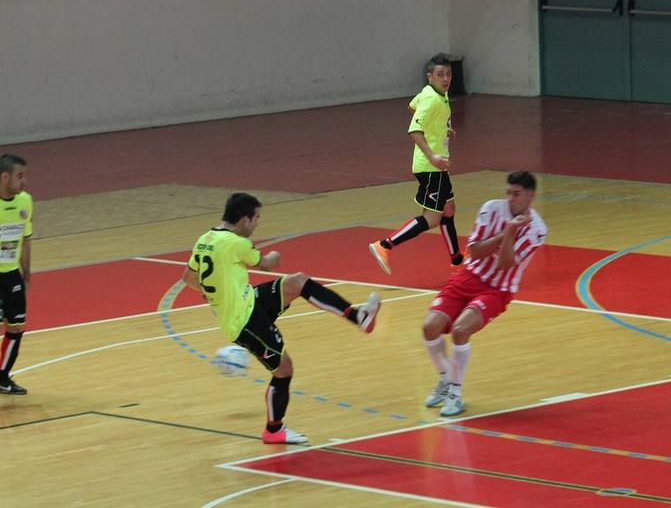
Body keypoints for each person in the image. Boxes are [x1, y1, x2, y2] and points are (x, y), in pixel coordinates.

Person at [182, 192, 381, 444]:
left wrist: (213, 297)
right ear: (244, 219)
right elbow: (266, 264)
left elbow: (189, 278)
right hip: (244, 321)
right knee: (284, 369)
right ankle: (274, 430)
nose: (257, 224)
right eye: (256, 218)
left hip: (248, 302)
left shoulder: (205, 240)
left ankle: (359, 317)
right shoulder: (236, 243)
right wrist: (274, 256)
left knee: (298, 282)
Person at [422, 171, 547, 417]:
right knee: (429, 327)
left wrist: (510, 233)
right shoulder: (491, 209)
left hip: (497, 290)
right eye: (509, 193)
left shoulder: (537, 229)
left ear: (531, 196)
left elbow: (504, 264)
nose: (511, 198)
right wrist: (505, 231)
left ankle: (455, 394)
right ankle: (445, 380)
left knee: (460, 330)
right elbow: (475, 252)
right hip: (468, 277)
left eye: (517, 194)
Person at [369, 54, 466, 275]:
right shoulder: (432, 100)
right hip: (431, 167)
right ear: (430, 77)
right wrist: (432, 156)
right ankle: (385, 245)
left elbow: (412, 107)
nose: (446, 79)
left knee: (448, 209)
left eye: (449, 74)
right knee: (431, 219)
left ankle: (457, 260)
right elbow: (414, 129)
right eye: (440, 75)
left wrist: (442, 128)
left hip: (437, 167)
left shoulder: (432, 93)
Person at [0, 154, 32, 395]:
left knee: (16, 327)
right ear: (4, 177)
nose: (24, 181)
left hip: (12, 276)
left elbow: (26, 238)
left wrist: (26, 274)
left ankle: (2, 377)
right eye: (20, 176)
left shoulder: (25, 201)